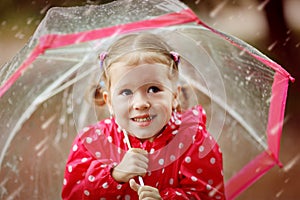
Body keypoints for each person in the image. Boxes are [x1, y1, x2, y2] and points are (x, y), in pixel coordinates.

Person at [62, 33, 225, 199]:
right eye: (126, 92)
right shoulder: (92, 142)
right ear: (109, 102)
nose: (140, 103)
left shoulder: (194, 141)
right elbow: (73, 195)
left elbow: (209, 195)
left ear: (174, 96)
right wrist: (115, 175)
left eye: (154, 89)